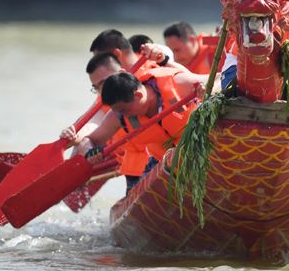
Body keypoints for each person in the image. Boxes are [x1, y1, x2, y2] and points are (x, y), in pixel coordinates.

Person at [62, 66, 210, 193]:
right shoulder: (118, 115)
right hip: (162, 163)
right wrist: (90, 152)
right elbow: (91, 139)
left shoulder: (178, 83)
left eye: (124, 110)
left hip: (202, 147)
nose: (124, 115)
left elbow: (217, 78)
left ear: (138, 95)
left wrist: (207, 90)